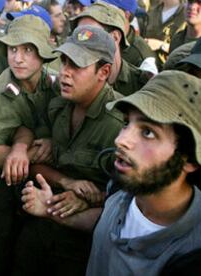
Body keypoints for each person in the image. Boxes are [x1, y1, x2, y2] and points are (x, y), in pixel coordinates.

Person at [16, 25, 123, 276]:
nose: (65, 73)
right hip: (42, 223)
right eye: (64, 62)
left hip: (82, 241)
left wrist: (87, 199)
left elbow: (131, 203)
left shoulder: (119, 126)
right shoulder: (58, 107)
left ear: (103, 72)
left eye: (76, 65)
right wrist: (68, 181)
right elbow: (35, 162)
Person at [86, 70, 201, 275]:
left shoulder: (192, 254)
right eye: (126, 123)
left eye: (148, 132)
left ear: (190, 160)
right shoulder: (123, 186)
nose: (121, 140)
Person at [0, 14, 59, 274]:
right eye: (13, 49)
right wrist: (27, 152)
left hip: (45, 179)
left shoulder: (58, 75)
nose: (18, 58)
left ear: (44, 53)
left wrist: (35, 144)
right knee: (2, 248)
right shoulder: (1, 91)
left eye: (28, 50)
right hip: (2, 184)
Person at [72, 0, 151, 96]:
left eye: (91, 35)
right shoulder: (74, 75)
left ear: (115, 37)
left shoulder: (140, 84)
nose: (83, 43)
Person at [103, 0, 155, 68]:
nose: (101, 12)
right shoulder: (100, 35)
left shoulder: (141, 55)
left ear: (126, 15)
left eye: (108, 9)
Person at [139, 0, 185, 66]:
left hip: (172, 68)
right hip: (147, 65)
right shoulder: (151, 12)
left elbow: (187, 49)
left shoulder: (188, 15)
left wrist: (161, 45)